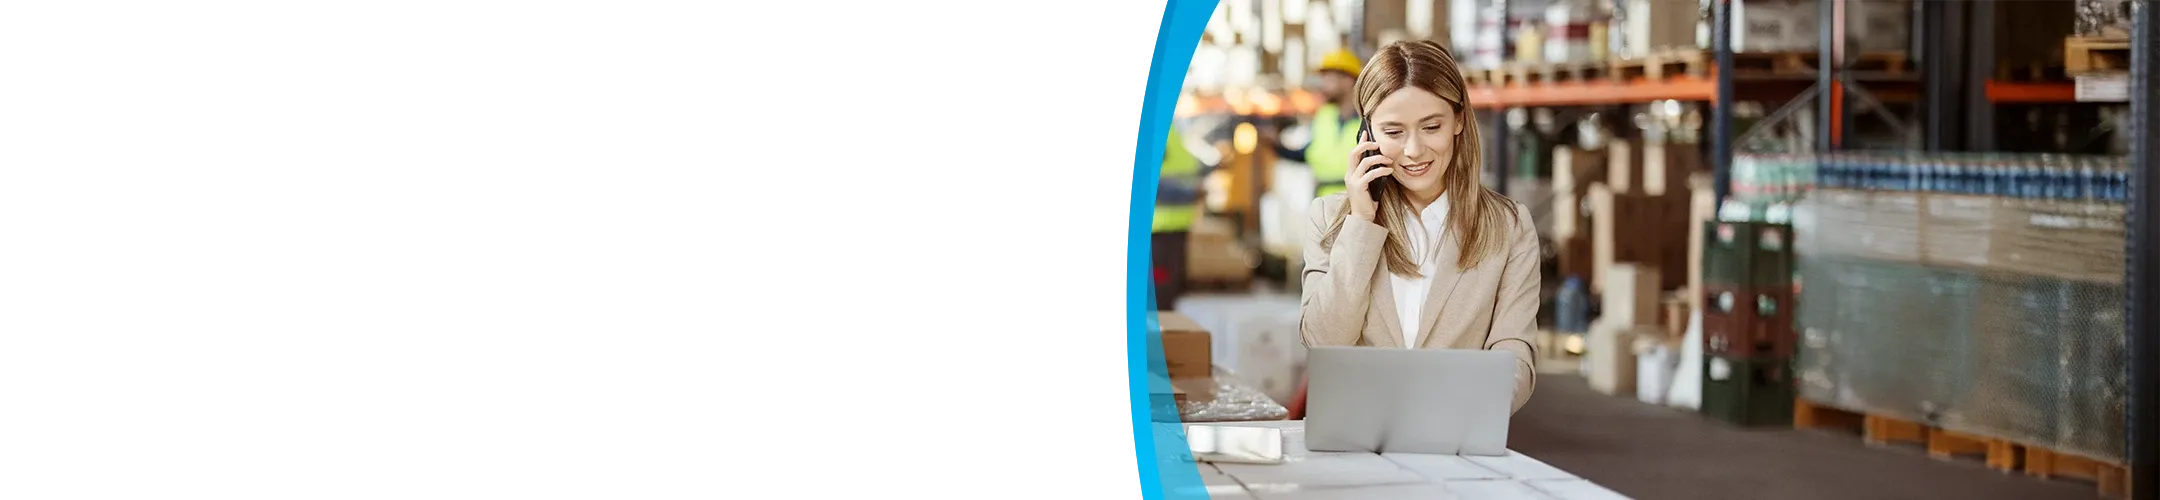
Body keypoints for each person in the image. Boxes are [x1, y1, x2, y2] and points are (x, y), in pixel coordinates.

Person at [1296, 40, 1541, 415]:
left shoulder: (1509, 226)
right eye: (1393, 132)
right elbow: (1323, 342)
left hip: (1460, 436)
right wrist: (1361, 222)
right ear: (1367, 134)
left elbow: (1515, 353)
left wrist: (1465, 414)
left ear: (1459, 120)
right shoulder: (1330, 220)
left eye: (1431, 127)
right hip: (1357, 440)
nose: (1413, 150)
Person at [1269, 48, 1365, 199]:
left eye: (1329, 77)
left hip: (1359, 200)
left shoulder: (1368, 119)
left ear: (1348, 80)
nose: (1323, 84)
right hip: (1324, 200)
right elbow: (1308, 154)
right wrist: (1276, 146)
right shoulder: (1324, 115)